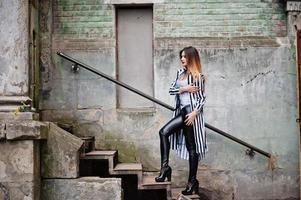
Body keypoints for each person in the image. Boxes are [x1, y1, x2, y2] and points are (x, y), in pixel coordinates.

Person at [155, 46, 207, 196]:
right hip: (181, 112)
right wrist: (184, 89)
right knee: (163, 132)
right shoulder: (179, 74)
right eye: (181, 56)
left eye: (185, 56)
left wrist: (195, 113)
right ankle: (165, 168)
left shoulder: (198, 77)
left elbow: (202, 99)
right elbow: (171, 90)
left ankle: (192, 182)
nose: (182, 59)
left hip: (191, 113)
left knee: (192, 147)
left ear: (192, 57)